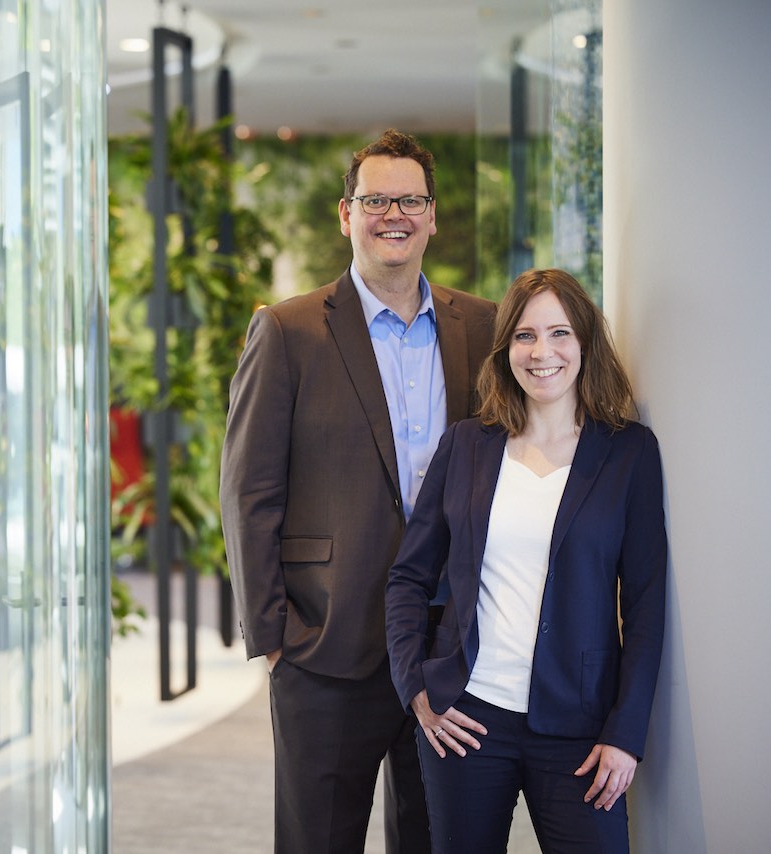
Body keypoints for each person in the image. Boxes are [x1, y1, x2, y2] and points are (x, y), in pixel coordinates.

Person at [219, 129, 497, 854]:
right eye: (376, 199)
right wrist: (274, 637)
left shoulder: (483, 326)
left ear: (432, 215)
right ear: (347, 214)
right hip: (325, 643)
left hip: (445, 641)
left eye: (410, 199)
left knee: (437, 839)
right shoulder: (287, 331)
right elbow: (248, 491)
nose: (393, 214)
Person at [384, 268, 668, 853]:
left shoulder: (629, 452)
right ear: (506, 348)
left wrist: (625, 734)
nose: (543, 352)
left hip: (580, 730)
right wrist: (417, 685)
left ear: (585, 343)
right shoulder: (465, 445)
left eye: (560, 333)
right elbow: (409, 576)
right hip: (466, 719)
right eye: (525, 335)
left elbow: (645, 605)